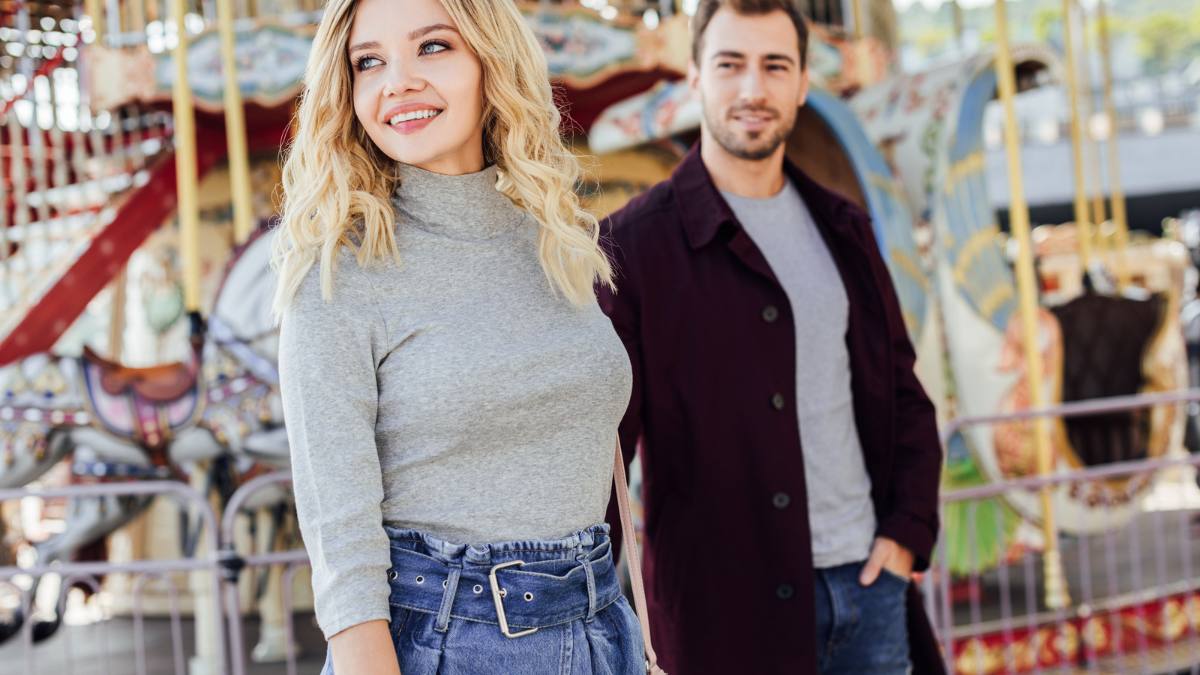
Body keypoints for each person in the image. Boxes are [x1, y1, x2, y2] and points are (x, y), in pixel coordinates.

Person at [273, 0, 645, 672]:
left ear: (490, 60)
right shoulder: (338, 271)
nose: (398, 81)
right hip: (441, 639)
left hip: (600, 625)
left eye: (433, 46)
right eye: (369, 62)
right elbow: (339, 534)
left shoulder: (554, 238)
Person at [598, 1, 944, 673]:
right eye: (730, 64)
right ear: (694, 76)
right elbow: (602, 451)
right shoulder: (631, 247)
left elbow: (903, 392)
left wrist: (906, 533)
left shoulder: (844, 228)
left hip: (868, 588)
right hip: (723, 618)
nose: (753, 88)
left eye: (775, 66)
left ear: (803, 83)